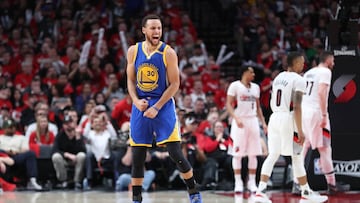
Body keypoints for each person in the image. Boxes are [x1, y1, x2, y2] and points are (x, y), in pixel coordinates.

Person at [126, 14, 202, 203]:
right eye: (152, 28)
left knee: (176, 153)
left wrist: (157, 107)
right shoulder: (134, 51)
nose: (157, 31)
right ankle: (136, 198)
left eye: (159, 28)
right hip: (141, 106)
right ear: (144, 30)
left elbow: (175, 84)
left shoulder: (168, 52)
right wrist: (135, 100)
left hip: (163, 104)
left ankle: (194, 191)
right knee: (137, 156)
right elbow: (130, 80)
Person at [254, 52, 328, 203]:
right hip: (289, 119)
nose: (303, 65)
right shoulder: (299, 80)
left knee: (273, 154)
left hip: (274, 118)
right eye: (301, 62)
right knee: (297, 156)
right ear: (293, 64)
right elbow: (298, 106)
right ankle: (306, 193)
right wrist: (300, 130)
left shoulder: (278, 78)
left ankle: (261, 191)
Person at [292, 51, 350, 195]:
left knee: (303, 148)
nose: (334, 63)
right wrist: (324, 115)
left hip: (304, 112)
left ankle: (296, 183)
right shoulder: (325, 72)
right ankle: (332, 185)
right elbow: (322, 92)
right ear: (328, 59)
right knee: (325, 149)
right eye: (333, 60)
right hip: (316, 113)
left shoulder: (308, 73)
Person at [226, 66, 268, 193]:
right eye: (251, 72)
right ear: (244, 73)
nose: (253, 74)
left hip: (253, 120)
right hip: (240, 121)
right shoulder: (235, 86)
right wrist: (235, 118)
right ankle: (238, 182)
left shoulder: (256, 87)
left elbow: (258, 107)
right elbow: (228, 104)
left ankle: (251, 182)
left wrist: (264, 123)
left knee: (253, 153)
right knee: (237, 154)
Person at [51, 115, 86, 190]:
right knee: (56, 157)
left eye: (70, 123)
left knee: (82, 155)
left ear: (74, 124)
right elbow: (54, 150)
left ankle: (77, 181)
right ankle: (63, 181)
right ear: (63, 125)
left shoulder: (79, 135)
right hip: (64, 160)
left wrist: (78, 138)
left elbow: (83, 150)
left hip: (76, 159)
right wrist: (66, 154)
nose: (68, 125)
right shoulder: (60, 135)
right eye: (66, 124)